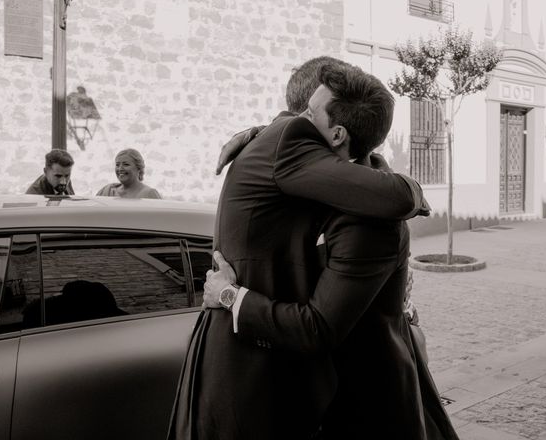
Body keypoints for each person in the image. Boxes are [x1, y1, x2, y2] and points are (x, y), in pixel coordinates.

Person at [167, 59, 429, 440]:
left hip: (359, 401)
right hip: (245, 368)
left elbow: (385, 193)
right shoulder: (290, 142)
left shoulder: (360, 207)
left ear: (337, 135)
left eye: (308, 112)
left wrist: (412, 191)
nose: (292, 119)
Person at [96, 148, 162, 199]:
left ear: (138, 168)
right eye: (117, 165)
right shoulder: (108, 191)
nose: (120, 169)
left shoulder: (149, 194)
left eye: (126, 164)